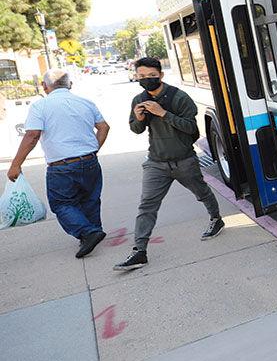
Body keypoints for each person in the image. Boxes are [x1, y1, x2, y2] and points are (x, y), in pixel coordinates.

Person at [114, 57, 224, 271]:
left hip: (184, 161)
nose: (146, 80)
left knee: (201, 192)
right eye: (142, 76)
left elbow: (192, 129)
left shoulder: (179, 97)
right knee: (147, 205)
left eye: (151, 76)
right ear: (136, 76)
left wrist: (162, 113)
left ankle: (216, 218)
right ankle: (139, 251)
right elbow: (136, 129)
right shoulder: (138, 99)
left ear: (161, 75)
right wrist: (138, 118)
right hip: (156, 163)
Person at [4, 69, 110, 258]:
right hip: (89, 161)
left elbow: (32, 135)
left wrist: (15, 164)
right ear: (70, 85)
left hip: (61, 166)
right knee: (90, 198)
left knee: (61, 204)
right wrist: (93, 149)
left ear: (45, 86)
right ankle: (92, 232)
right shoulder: (85, 102)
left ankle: (88, 232)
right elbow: (103, 127)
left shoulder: (40, 106)